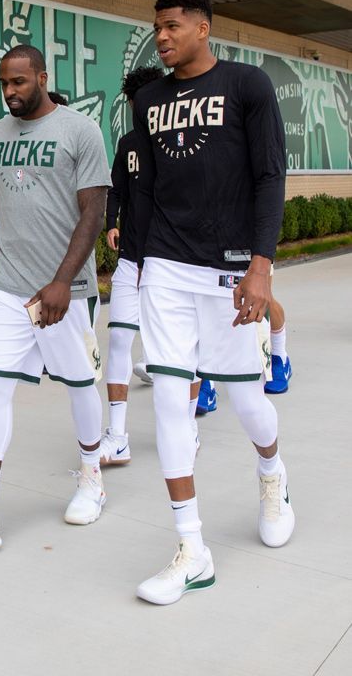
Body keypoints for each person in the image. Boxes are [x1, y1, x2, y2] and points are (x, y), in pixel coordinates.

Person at [130, 0, 293, 605]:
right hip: (167, 267)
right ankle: (191, 548)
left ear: (203, 27)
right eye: (156, 29)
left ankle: (272, 472)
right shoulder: (147, 100)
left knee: (248, 402)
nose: (162, 37)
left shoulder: (248, 86)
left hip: (228, 269)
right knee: (171, 399)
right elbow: (146, 187)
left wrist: (261, 267)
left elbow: (269, 174)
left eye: (172, 26)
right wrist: (140, 261)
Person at [0, 44, 111, 549]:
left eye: (19, 82)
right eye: (3, 84)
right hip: (6, 288)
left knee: (79, 384)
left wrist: (62, 280)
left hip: (65, 290)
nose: (9, 92)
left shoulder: (80, 131)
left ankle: (91, 476)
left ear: (41, 76)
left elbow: (93, 213)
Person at [101, 66, 212, 465]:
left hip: (175, 263)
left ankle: (188, 426)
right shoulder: (129, 143)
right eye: (135, 102)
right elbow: (115, 187)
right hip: (133, 259)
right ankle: (117, 435)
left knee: (184, 353)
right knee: (117, 341)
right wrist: (111, 223)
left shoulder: (184, 142)